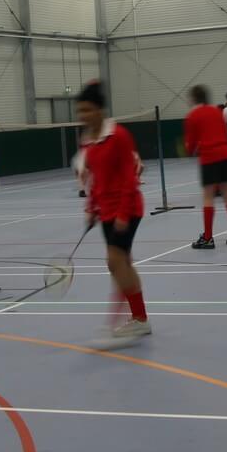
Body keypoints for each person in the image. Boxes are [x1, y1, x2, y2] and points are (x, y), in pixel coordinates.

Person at [76, 81, 150, 347]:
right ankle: (139, 318)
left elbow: (129, 179)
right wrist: (91, 207)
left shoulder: (118, 135)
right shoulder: (88, 141)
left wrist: (121, 214)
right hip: (106, 209)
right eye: (80, 110)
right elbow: (95, 178)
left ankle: (134, 321)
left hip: (127, 207)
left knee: (115, 261)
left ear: (99, 110)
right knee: (121, 263)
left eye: (87, 109)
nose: (83, 115)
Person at [184, 85, 227, 249]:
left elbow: (190, 147)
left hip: (209, 156)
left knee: (208, 196)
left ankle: (208, 238)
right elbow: (225, 132)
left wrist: (190, 149)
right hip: (225, 154)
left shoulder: (193, 115)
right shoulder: (218, 112)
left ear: (194, 99)